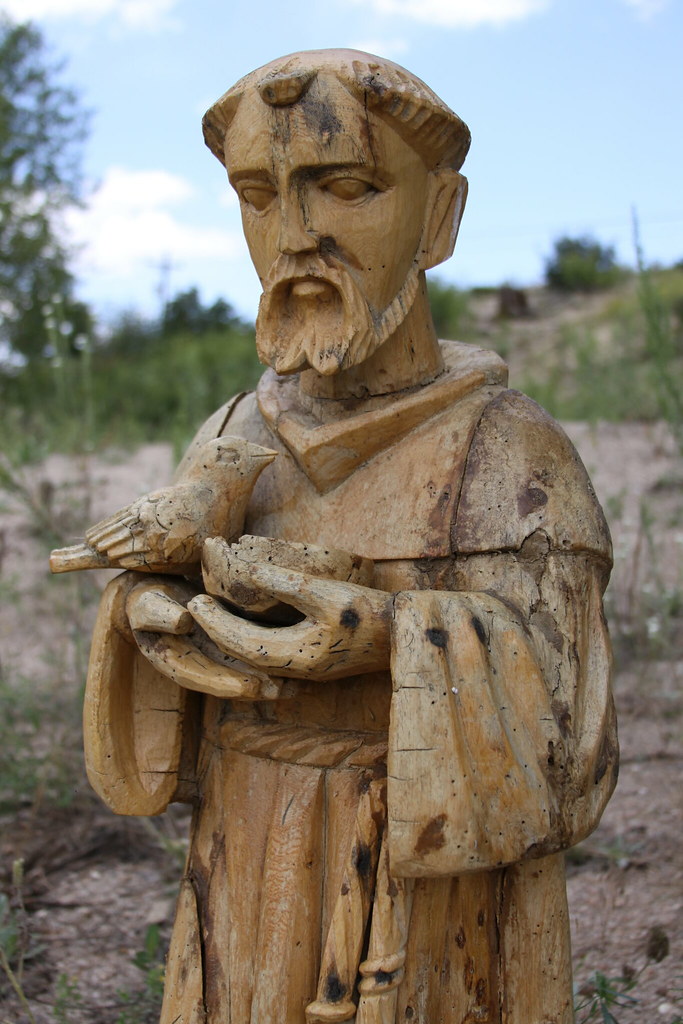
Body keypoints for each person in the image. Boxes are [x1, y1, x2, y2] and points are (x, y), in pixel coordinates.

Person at [82, 50, 617, 1023]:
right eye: (258, 194)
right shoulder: (229, 434)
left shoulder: (508, 457)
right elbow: (165, 743)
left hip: (437, 923)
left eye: (346, 187)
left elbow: (572, 754)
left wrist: (385, 639)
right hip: (242, 882)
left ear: (438, 216)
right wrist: (152, 618)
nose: (293, 235)